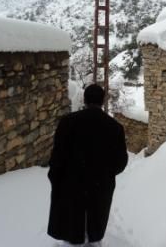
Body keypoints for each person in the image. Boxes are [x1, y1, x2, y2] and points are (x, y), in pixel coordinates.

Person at [47, 84, 128, 247]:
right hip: (99, 186)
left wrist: (56, 178)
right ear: (103, 100)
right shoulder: (115, 127)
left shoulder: (67, 122)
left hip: (70, 184)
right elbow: (120, 162)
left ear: (84, 99)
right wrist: (104, 174)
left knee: (71, 227)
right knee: (94, 227)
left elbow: (57, 156)